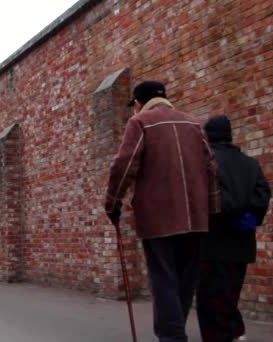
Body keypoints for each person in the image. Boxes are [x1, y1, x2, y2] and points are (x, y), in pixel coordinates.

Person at [105, 81, 219, 342]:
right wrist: (210, 210)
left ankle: (172, 337)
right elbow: (211, 168)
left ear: (138, 103)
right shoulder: (193, 123)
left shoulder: (140, 122)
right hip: (196, 217)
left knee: (164, 279)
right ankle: (175, 332)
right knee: (185, 280)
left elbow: (124, 164)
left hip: (159, 217)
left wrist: (112, 202)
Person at [196, 115, 271, 342]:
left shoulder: (206, 163)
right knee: (230, 293)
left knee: (209, 300)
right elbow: (262, 195)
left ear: (207, 136)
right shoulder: (251, 164)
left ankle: (226, 335)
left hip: (212, 243)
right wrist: (246, 218)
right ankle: (235, 333)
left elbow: (209, 200)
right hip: (241, 243)